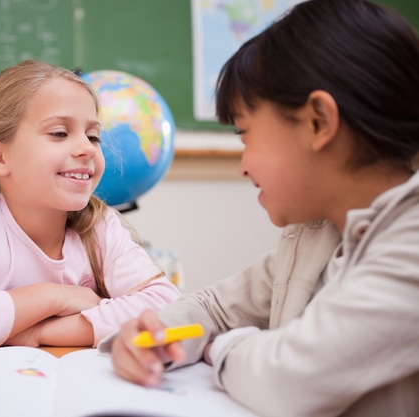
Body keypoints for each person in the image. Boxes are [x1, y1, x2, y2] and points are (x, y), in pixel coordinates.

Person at [101, 1, 419, 416]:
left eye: (245, 133)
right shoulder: (314, 233)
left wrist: (219, 348)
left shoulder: (410, 242)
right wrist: (160, 332)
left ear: (319, 123)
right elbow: (215, 307)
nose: (243, 165)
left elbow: (291, 377)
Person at [0, 60, 180, 361]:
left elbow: (168, 309)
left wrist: (40, 332)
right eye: (60, 133)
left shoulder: (99, 225)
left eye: (93, 136)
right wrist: (54, 296)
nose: (87, 148)